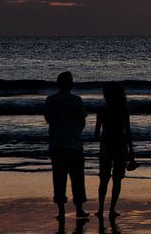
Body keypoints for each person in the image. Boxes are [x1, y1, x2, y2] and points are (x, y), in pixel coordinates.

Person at [45, 71, 88, 220]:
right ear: (70, 84)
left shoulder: (51, 100)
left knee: (59, 178)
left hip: (57, 144)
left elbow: (49, 119)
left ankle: (62, 211)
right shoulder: (77, 100)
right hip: (73, 143)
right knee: (77, 178)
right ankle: (79, 209)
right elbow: (82, 122)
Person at [94, 82, 135, 219]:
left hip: (106, 147)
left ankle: (100, 209)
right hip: (121, 147)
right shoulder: (124, 111)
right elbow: (128, 133)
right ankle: (112, 209)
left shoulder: (102, 111)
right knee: (117, 180)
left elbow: (96, 134)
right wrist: (132, 154)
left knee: (104, 179)